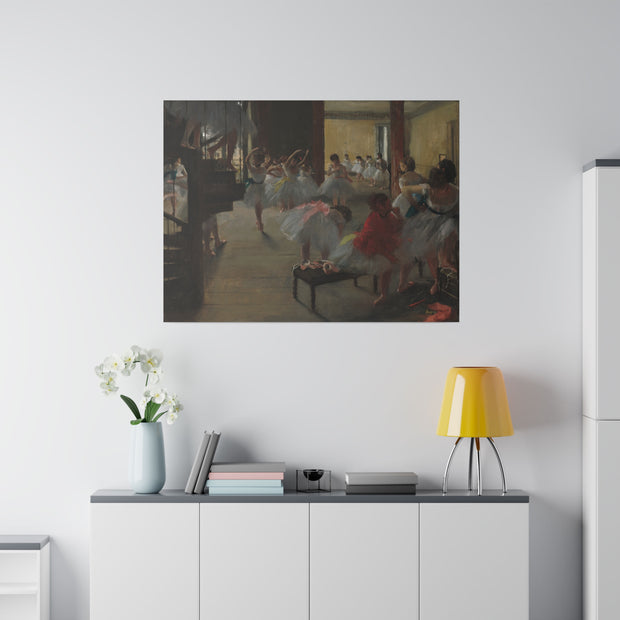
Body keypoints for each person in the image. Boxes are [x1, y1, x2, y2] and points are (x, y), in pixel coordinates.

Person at [331, 193, 403, 305]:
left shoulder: (389, 215)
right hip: (365, 250)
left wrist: (399, 216)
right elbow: (374, 245)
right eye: (389, 204)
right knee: (387, 266)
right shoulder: (374, 219)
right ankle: (383, 295)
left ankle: (387, 292)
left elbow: (397, 229)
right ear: (380, 206)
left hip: (380, 247)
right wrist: (389, 256)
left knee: (399, 259)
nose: (391, 205)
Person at [397, 166, 458, 295]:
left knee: (438, 247)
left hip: (446, 224)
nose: (437, 189)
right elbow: (405, 190)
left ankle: (438, 282)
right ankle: (402, 284)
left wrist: (448, 214)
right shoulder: (427, 188)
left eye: (441, 186)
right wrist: (417, 206)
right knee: (412, 249)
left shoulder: (457, 192)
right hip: (425, 222)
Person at [280, 196, 348, 264]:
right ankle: (307, 260)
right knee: (308, 240)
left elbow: (339, 227)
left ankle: (321, 260)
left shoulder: (331, 215)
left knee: (321, 242)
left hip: (316, 216)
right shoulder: (334, 216)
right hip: (311, 216)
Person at [244, 147, 270, 232]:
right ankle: (259, 221)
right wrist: (252, 151)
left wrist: (265, 153)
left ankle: (258, 219)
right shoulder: (252, 169)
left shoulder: (264, 167)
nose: (255, 162)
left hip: (262, 187)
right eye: (254, 160)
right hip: (255, 188)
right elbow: (246, 161)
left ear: (260, 161)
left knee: (260, 206)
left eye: (257, 160)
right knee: (257, 205)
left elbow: (269, 159)